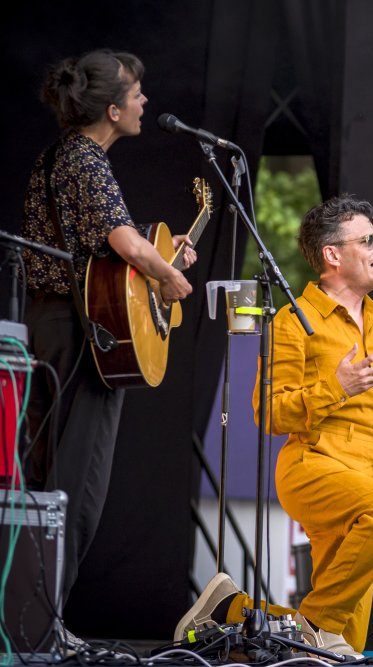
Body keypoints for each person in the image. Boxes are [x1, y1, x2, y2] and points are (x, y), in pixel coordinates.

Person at [175, 195, 373, 657]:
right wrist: (337, 386)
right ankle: (314, 622)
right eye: (368, 240)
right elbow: (268, 413)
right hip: (311, 469)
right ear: (332, 255)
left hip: (363, 483)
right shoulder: (294, 321)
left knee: (341, 648)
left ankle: (231, 609)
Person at [19, 49, 196, 620]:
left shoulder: (58, 156)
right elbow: (123, 243)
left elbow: (98, 250)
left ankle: (27, 617)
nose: (145, 102)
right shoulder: (88, 160)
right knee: (80, 481)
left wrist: (157, 253)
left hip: (51, 322)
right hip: (82, 331)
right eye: (137, 94)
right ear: (114, 111)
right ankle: (45, 620)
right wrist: (167, 274)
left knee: (46, 473)